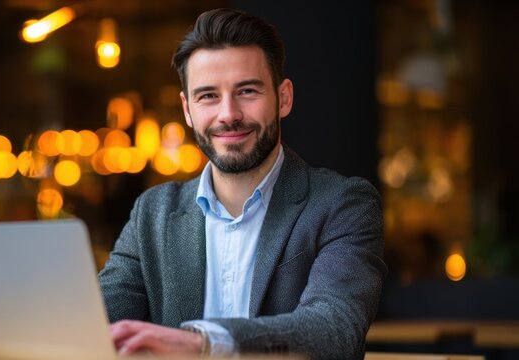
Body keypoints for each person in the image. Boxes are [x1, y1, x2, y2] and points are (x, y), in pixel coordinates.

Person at [98, 8, 386, 359]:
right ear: (187, 110)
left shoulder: (343, 203)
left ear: (283, 98)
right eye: (208, 96)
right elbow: (97, 323)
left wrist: (202, 343)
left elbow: (335, 329)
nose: (228, 114)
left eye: (247, 91)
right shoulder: (152, 214)